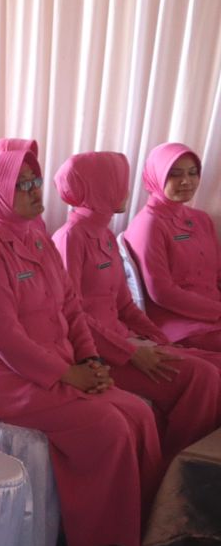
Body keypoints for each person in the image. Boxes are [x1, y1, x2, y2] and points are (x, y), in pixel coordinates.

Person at [0, 148, 162, 546]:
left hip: (58, 369)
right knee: (109, 425)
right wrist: (68, 374)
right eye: (21, 184)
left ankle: (142, 523)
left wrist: (90, 360)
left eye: (35, 181)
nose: (34, 190)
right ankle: (102, 540)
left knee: (139, 413)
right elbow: (5, 339)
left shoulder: (38, 239)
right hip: (6, 382)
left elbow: (72, 310)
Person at [54, 152, 221, 458]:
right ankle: (177, 469)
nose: (127, 191)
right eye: (118, 182)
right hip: (96, 354)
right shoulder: (70, 238)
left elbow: (125, 305)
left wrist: (158, 339)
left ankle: (186, 465)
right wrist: (130, 352)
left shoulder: (104, 234)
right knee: (202, 378)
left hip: (125, 343)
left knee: (207, 370)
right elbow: (72, 315)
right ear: (98, 187)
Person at [124, 142, 221, 351]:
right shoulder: (148, 224)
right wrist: (216, 310)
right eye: (175, 174)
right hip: (180, 325)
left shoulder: (201, 219)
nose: (187, 181)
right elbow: (162, 292)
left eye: (193, 173)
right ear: (156, 176)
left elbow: (218, 274)